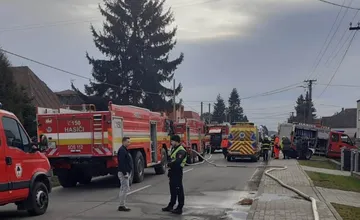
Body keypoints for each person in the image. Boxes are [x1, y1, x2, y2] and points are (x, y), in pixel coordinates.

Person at [162, 135, 187, 215]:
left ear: (176, 141)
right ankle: (171, 205)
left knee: (179, 190)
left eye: (172, 141)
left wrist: (169, 164)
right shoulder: (174, 149)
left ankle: (180, 207)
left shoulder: (181, 150)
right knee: (173, 190)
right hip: (173, 172)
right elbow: (172, 158)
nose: (171, 142)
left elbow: (177, 162)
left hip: (177, 172)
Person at [117, 137, 132, 212]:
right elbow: (121, 163)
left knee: (123, 188)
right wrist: (125, 173)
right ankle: (122, 205)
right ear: (123, 142)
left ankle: (122, 204)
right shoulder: (122, 150)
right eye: (128, 142)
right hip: (123, 173)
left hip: (125, 172)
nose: (129, 143)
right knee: (124, 188)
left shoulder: (124, 149)